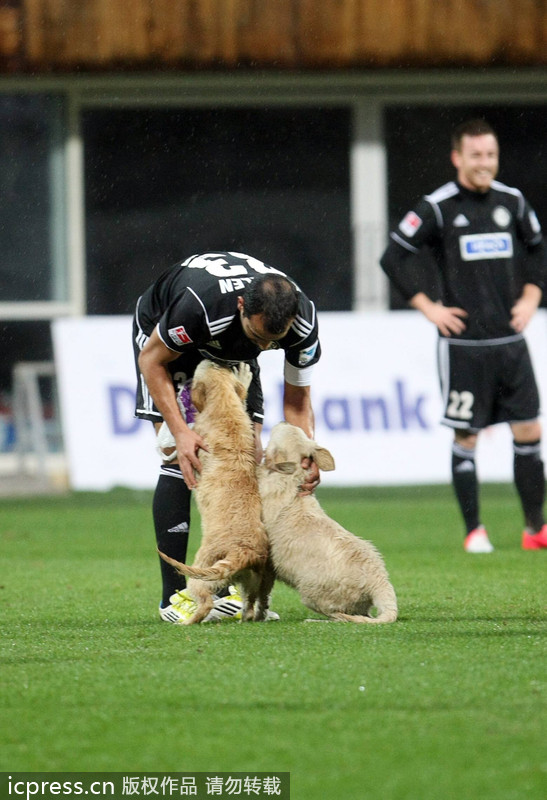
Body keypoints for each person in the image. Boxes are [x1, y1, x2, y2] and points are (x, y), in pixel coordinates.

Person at [380, 118, 547, 553]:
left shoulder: (512, 201)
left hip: (511, 344)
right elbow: (393, 257)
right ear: (458, 157)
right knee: (466, 437)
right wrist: (429, 307)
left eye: (490, 155)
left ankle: (535, 529)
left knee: (529, 431)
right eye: (476, 155)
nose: (484, 163)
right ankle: (475, 531)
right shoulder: (438, 207)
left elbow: (538, 250)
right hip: (464, 347)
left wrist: (531, 297)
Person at [133, 251, 321, 621]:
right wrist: (181, 431)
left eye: (273, 341)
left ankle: (221, 582)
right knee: (179, 455)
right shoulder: (200, 308)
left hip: (230, 352)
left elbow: (297, 401)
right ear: (240, 306)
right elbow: (151, 361)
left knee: (245, 456)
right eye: (258, 336)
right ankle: (174, 596)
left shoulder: (302, 322)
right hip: (168, 346)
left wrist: (305, 452)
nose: (264, 349)